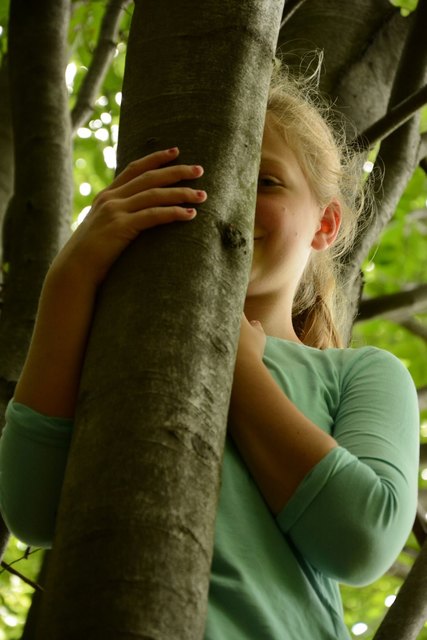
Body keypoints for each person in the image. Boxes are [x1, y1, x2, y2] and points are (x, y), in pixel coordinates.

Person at [0, 67, 420, 639]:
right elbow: (31, 508)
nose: (231, 193)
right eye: (211, 175)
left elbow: (363, 538)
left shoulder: (359, 374)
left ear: (325, 222)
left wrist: (240, 365)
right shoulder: (111, 350)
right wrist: (70, 277)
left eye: (266, 181)